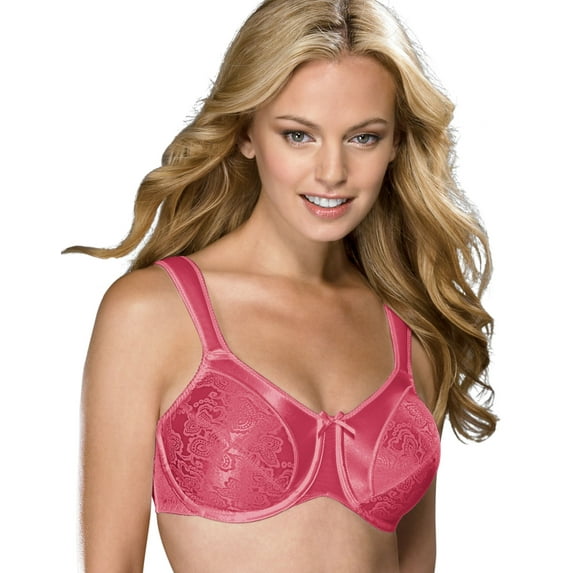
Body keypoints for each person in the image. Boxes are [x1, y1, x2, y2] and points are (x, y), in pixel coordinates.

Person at [65, 0, 496, 571]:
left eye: (364, 138)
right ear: (246, 132)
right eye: (298, 135)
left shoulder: (414, 327)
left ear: (396, 143)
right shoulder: (152, 314)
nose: (332, 172)